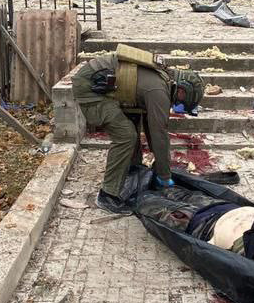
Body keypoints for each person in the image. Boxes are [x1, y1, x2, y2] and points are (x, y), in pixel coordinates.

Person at [73, 44, 205, 213]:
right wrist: (165, 177)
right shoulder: (159, 91)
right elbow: (159, 135)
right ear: (182, 90)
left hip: (102, 82)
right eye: (180, 102)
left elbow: (151, 128)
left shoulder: (162, 79)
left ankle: (133, 170)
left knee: (133, 120)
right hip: (91, 88)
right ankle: (107, 195)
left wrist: (160, 169)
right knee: (126, 135)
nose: (177, 105)